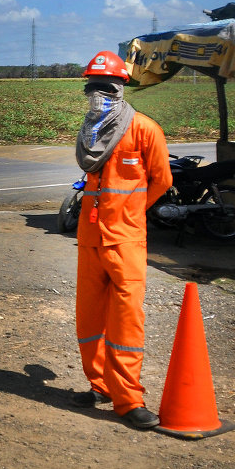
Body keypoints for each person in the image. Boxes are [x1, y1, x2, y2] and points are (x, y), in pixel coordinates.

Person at [72, 50, 173, 430]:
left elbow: (162, 180)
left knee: (127, 323)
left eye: (105, 87)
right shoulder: (90, 130)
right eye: (92, 87)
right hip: (90, 239)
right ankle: (98, 386)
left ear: (120, 88)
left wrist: (129, 214)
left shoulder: (145, 129)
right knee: (89, 321)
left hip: (126, 242)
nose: (98, 94)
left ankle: (128, 401)